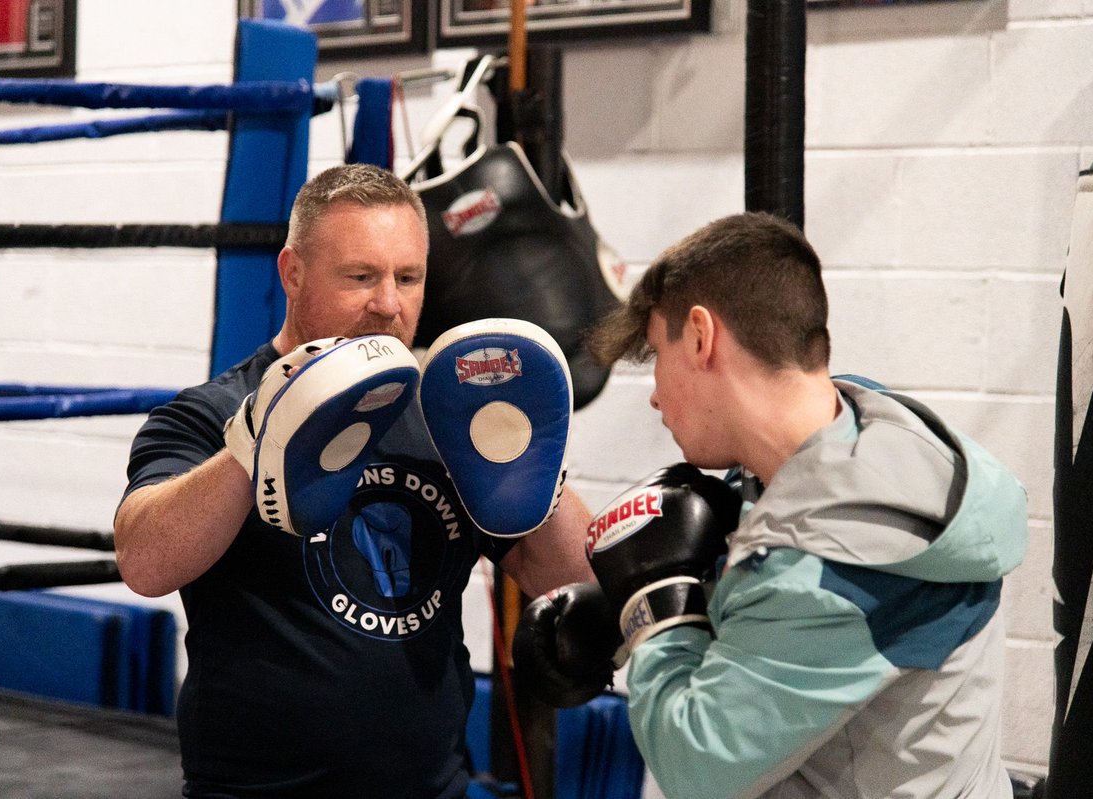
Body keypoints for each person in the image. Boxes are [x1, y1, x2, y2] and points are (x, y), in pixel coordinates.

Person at [113, 163, 594, 799]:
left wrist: (535, 468)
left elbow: (570, 580)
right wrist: (251, 445)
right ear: (292, 273)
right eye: (361, 277)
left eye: (408, 277)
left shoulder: (443, 412)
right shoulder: (210, 413)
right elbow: (144, 561)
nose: (388, 303)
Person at [522, 211, 1029, 798]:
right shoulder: (872, 436)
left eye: (658, 355)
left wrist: (655, 614)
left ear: (700, 336)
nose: (657, 397)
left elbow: (696, 767)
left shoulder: (828, 559)